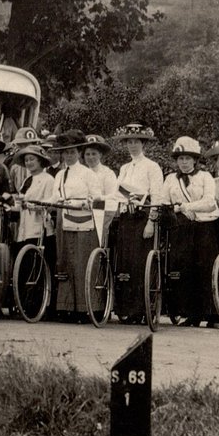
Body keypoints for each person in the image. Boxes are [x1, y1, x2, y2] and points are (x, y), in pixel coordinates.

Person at [161, 137, 219, 325]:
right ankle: (191, 313)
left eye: (187, 158)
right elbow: (164, 202)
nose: (184, 162)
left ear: (195, 159)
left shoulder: (205, 177)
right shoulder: (171, 179)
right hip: (181, 227)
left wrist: (186, 207)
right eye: (180, 159)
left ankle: (212, 314)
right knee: (183, 268)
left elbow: (210, 202)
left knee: (204, 267)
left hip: (205, 226)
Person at [108, 123, 164, 323]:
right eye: (129, 142)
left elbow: (157, 195)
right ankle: (124, 308)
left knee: (139, 264)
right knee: (124, 262)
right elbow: (117, 193)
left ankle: (140, 309)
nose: (133, 146)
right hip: (126, 217)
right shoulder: (124, 168)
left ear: (143, 144)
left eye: (136, 142)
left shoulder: (152, 166)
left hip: (143, 217)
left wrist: (152, 221)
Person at [50, 130, 107, 321]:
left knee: (82, 262)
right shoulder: (59, 175)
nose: (69, 156)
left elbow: (97, 197)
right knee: (65, 261)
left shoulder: (88, 174)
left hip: (84, 220)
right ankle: (67, 306)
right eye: (65, 152)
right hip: (63, 217)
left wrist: (85, 202)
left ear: (79, 153)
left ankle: (86, 308)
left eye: (72, 152)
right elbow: (54, 196)